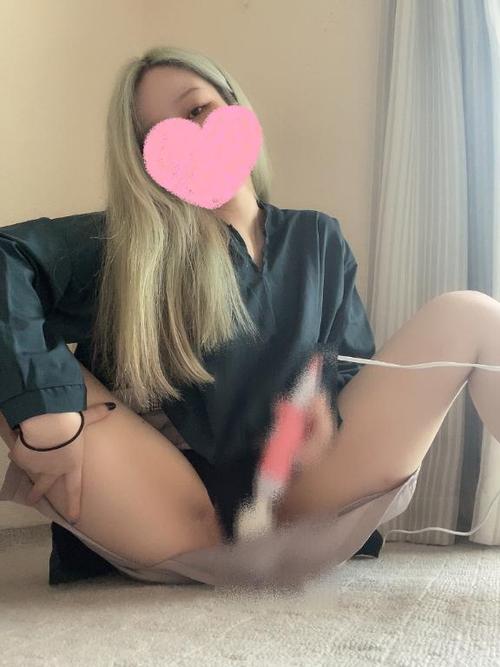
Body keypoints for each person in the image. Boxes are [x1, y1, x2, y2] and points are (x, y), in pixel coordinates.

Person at [1, 45, 500, 588]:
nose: (191, 135)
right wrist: (46, 409)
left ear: (236, 106)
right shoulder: (131, 243)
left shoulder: (317, 238)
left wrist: (325, 415)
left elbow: (352, 368)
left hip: (298, 500)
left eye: (198, 109)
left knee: (471, 315)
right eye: (160, 135)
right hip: (170, 513)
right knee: (21, 365)